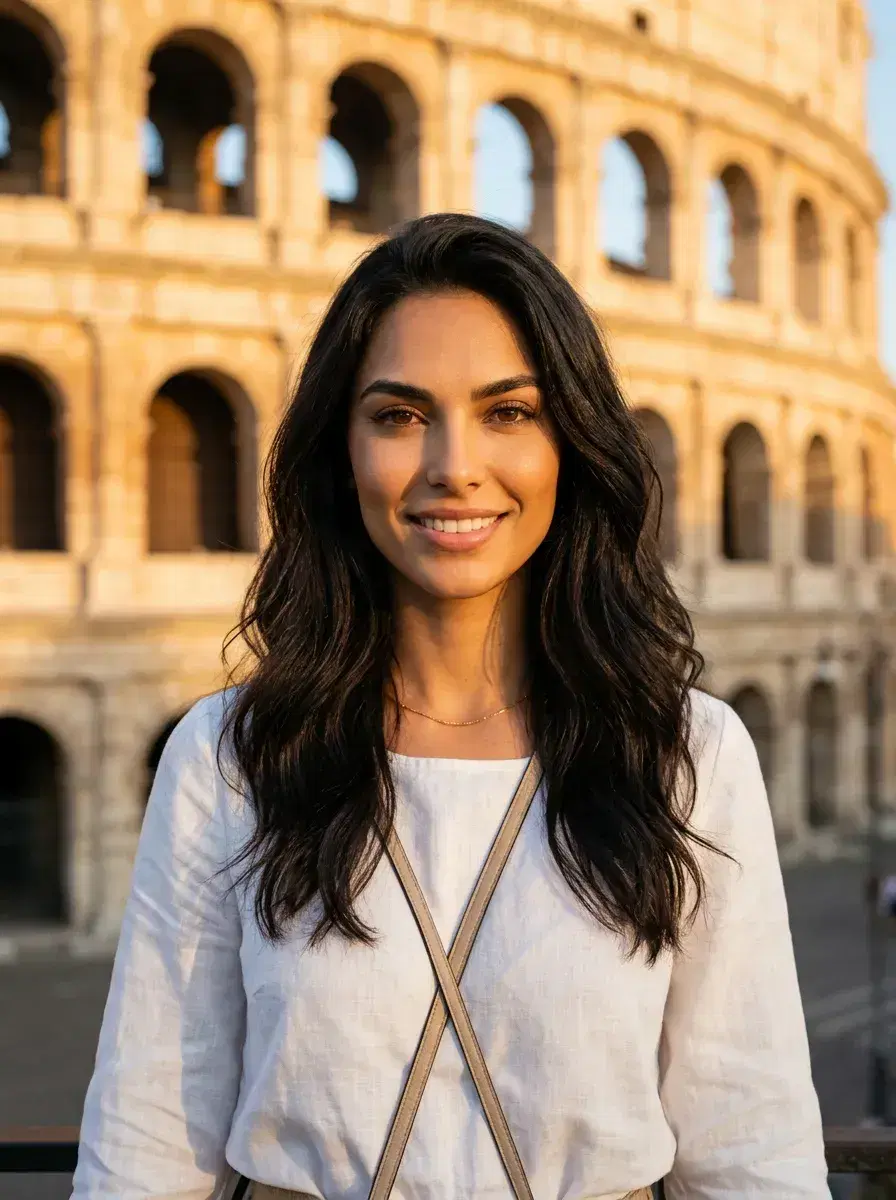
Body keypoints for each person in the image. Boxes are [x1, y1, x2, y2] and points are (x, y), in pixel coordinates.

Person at [71, 212, 830, 1200]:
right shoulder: (233, 754)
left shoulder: (683, 753)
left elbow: (747, 1136)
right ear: (339, 453)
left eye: (507, 412)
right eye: (397, 415)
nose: (452, 466)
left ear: (571, 442)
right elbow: (148, 1135)